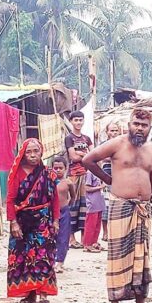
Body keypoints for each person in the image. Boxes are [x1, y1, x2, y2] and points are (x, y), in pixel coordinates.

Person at [82, 108, 152, 303]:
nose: (139, 128)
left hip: (143, 209)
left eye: (144, 125)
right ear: (129, 124)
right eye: (136, 123)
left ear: (150, 127)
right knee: (118, 257)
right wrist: (108, 179)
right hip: (120, 206)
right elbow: (88, 160)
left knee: (142, 258)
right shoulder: (117, 144)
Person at [6, 139, 60, 303]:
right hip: (22, 221)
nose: (32, 155)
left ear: (41, 152)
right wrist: (13, 222)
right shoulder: (16, 173)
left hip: (44, 220)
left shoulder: (48, 173)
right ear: (23, 153)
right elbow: (10, 200)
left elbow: (55, 199)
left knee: (43, 255)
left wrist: (56, 220)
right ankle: (29, 293)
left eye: (36, 151)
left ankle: (43, 293)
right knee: (24, 256)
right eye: (29, 152)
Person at [64, 110, 93, 249]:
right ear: (71, 121)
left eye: (80, 120)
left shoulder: (87, 138)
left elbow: (94, 155)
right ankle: (71, 239)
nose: (78, 123)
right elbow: (73, 157)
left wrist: (81, 154)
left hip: (86, 175)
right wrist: (85, 155)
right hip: (74, 176)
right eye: (75, 120)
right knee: (73, 206)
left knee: (85, 207)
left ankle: (84, 238)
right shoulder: (69, 138)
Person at [53, 157, 75, 273]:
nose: (58, 170)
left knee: (63, 237)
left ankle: (60, 263)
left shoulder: (68, 182)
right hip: (52, 213)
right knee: (52, 236)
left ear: (65, 169)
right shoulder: (49, 182)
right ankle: (52, 260)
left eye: (60, 168)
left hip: (64, 212)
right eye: (55, 168)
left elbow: (73, 196)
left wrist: (67, 205)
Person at [101, 122, 121, 241]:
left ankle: (116, 231)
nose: (113, 133)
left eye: (115, 130)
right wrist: (116, 156)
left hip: (120, 173)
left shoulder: (123, 144)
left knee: (118, 201)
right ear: (107, 132)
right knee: (106, 203)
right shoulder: (104, 144)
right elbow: (102, 156)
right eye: (111, 130)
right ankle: (105, 232)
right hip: (107, 172)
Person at [83, 171, 105, 252]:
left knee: (97, 225)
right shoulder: (90, 173)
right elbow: (87, 188)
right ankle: (87, 244)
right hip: (92, 202)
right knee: (91, 225)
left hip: (99, 202)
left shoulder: (98, 171)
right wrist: (100, 187)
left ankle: (94, 242)